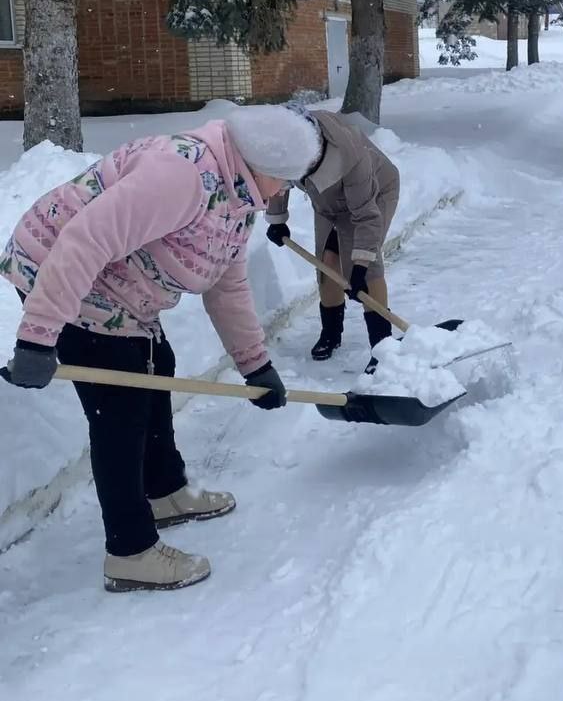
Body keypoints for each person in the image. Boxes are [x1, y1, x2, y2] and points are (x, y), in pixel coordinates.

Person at [0, 105, 323, 593]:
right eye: (288, 182)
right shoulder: (182, 174)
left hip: (118, 289)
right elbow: (85, 240)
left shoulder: (240, 195)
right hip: (58, 272)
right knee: (120, 407)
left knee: (157, 365)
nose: (285, 193)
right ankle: (129, 551)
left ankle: (164, 490)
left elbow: (226, 283)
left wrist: (255, 364)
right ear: (265, 166)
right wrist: (37, 337)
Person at [264, 109, 400, 368]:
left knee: (367, 270)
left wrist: (359, 267)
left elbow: (366, 218)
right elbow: (277, 181)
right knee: (327, 262)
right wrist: (277, 219)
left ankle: (382, 346)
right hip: (328, 203)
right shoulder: (285, 143)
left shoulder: (349, 154)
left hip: (373, 195)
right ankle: (331, 333)